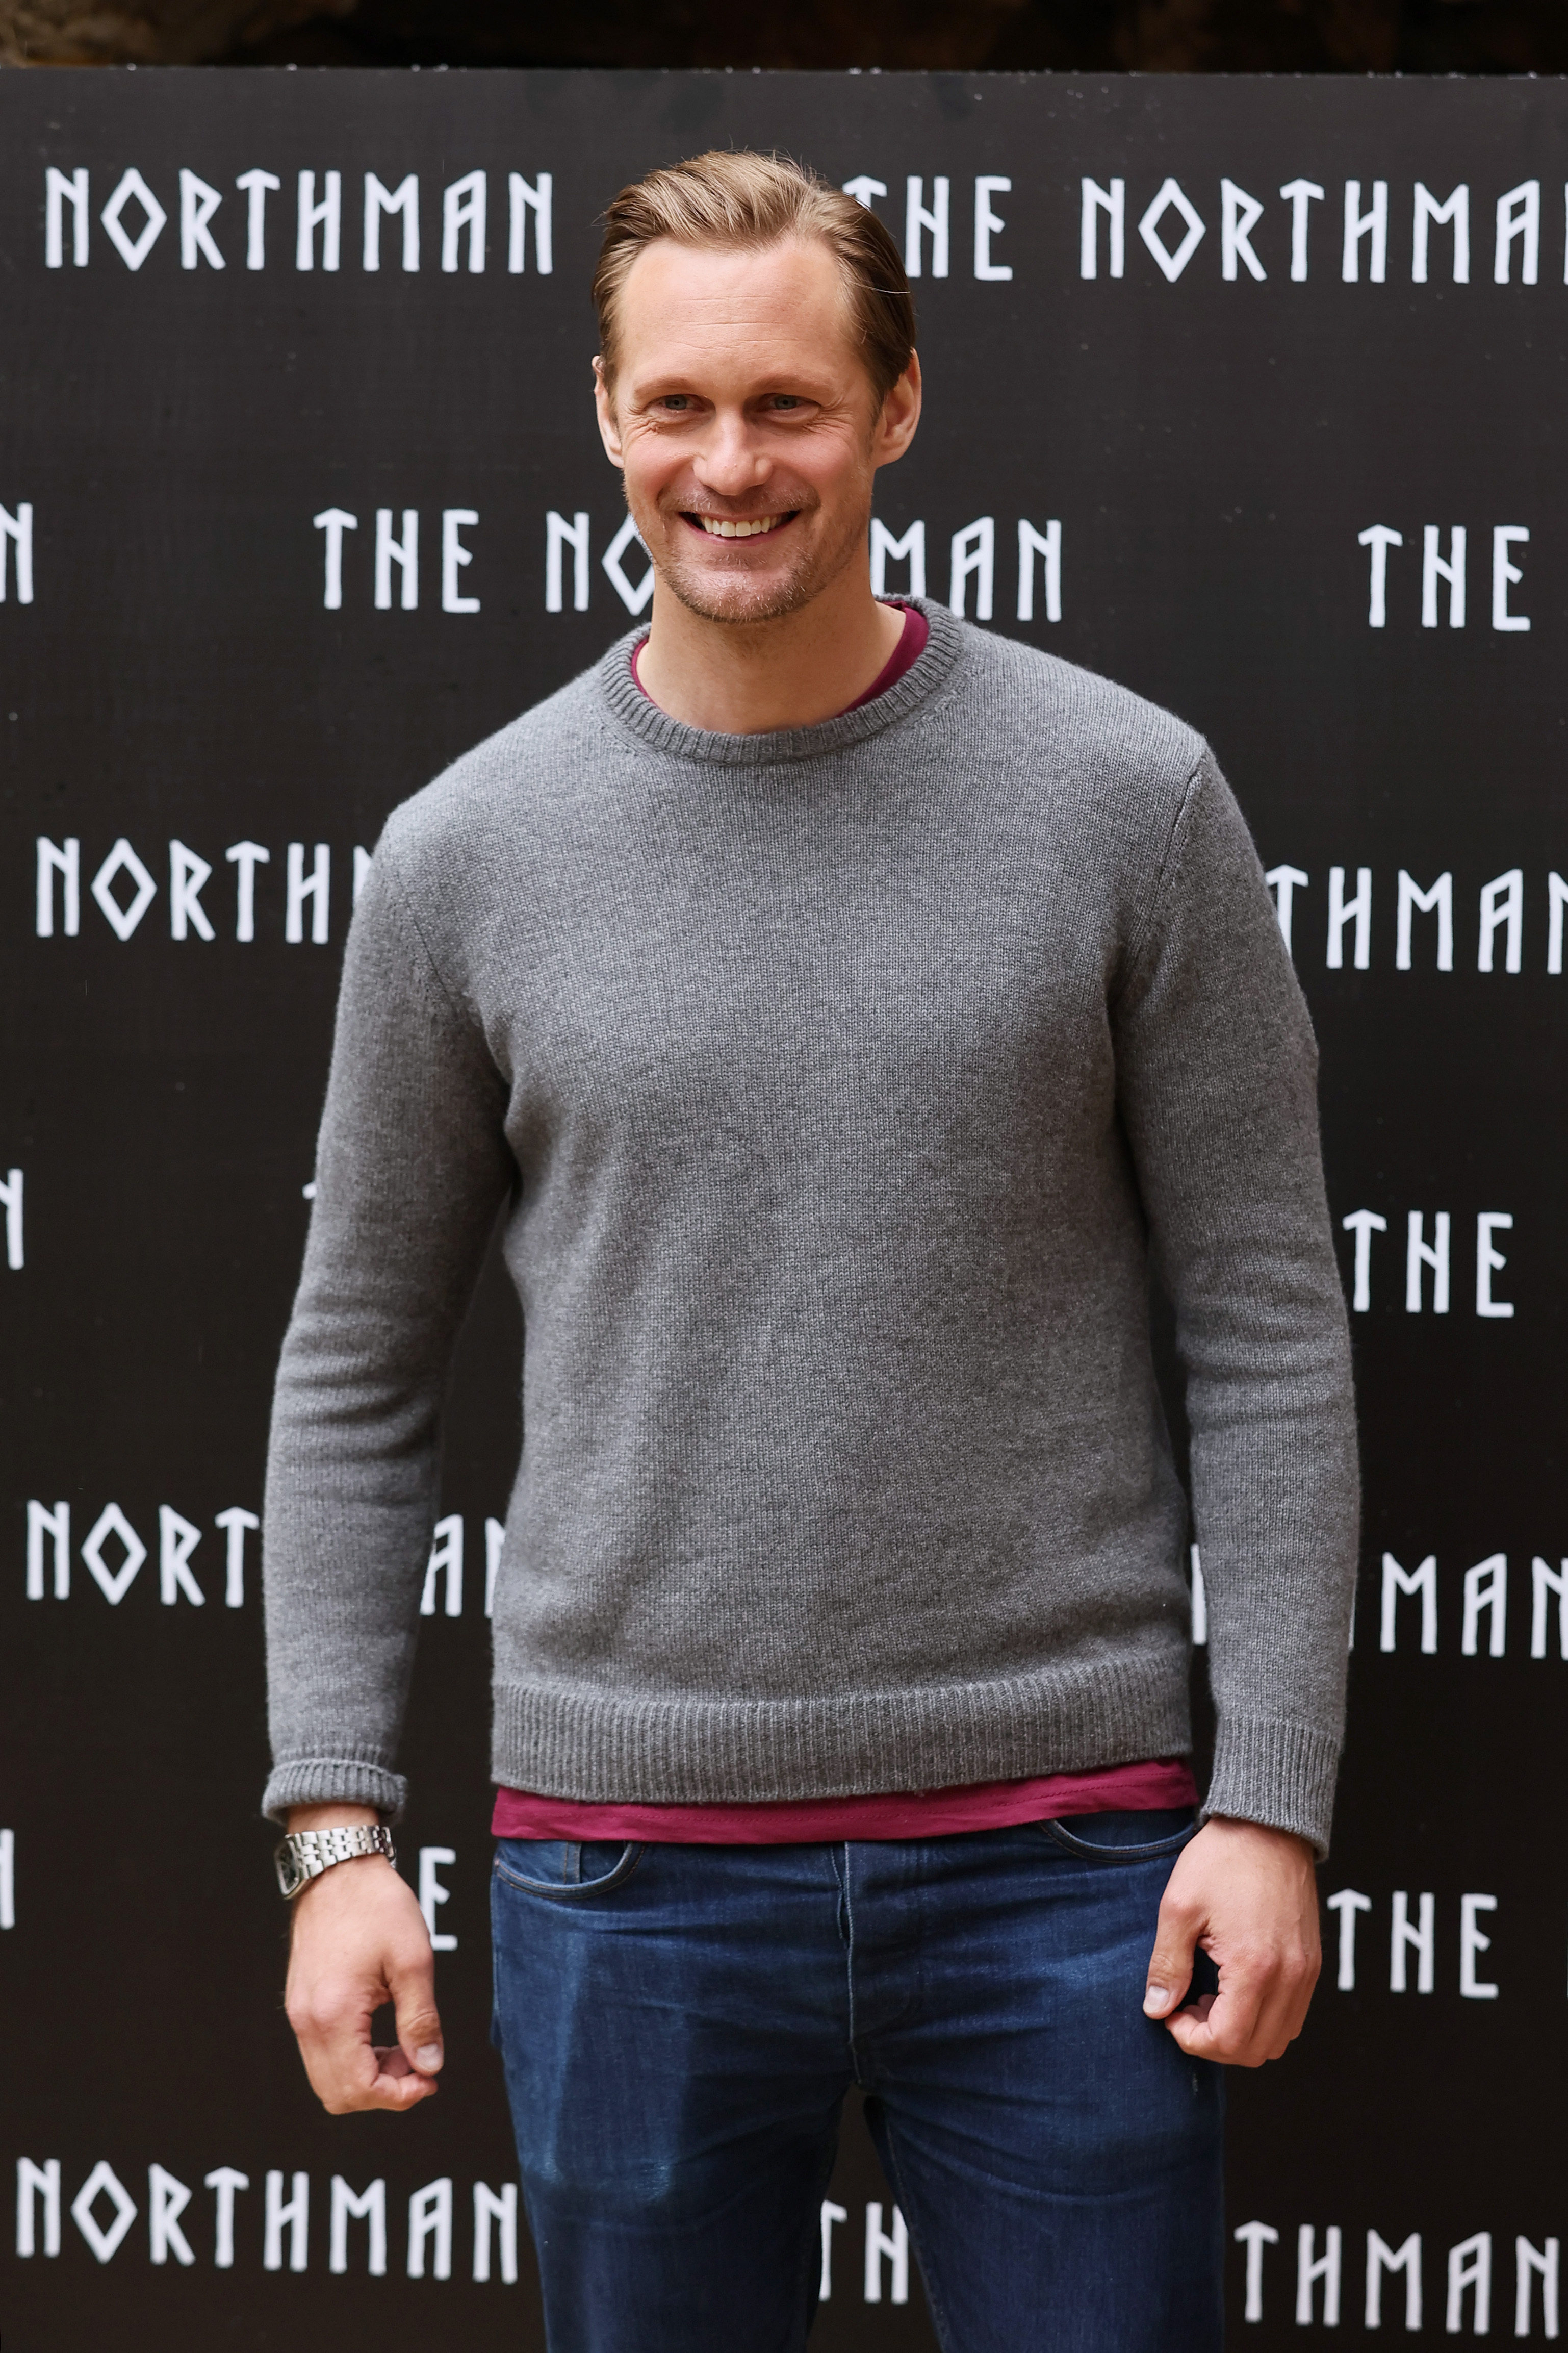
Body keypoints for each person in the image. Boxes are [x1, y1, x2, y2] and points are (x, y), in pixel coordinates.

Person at [263, 150, 1357, 2352]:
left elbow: (1266, 1328)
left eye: (787, 404)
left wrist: (1272, 1805)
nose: (729, 464)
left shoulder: (1128, 800)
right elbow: (356, 1369)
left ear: (897, 409)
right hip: (625, 1875)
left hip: (1069, 1871)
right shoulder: (465, 856)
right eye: (676, 404)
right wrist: (335, 1830)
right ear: (603, 413)